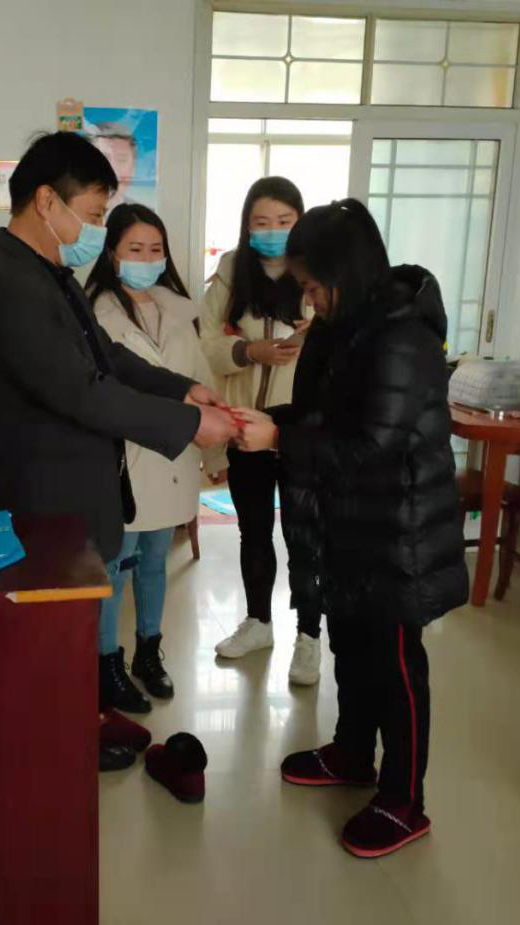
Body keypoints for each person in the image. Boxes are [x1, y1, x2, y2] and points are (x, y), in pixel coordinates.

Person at [0, 133, 238, 768]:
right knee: (46, 644)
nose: (96, 229)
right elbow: (82, 392)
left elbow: (105, 358)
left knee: (69, 637)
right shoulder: (7, 286)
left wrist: (182, 388)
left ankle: (78, 722)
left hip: (73, 499)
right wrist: (189, 424)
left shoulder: (47, 274)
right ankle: (57, 747)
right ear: (45, 201)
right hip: (42, 502)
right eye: (92, 214)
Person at [234, 199, 469, 858]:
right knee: (351, 645)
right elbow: (322, 414)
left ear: (346, 271)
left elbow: (374, 444)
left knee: (395, 664)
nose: (307, 299)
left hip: (398, 530)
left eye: (313, 285)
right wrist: (264, 419)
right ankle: (353, 752)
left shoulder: (403, 337)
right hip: (349, 521)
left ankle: (405, 800)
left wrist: (279, 438)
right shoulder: (343, 326)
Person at [86, 204, 216, 713]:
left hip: (175, 455)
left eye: (155, 249)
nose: (146, 259)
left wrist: (215, 450)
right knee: (115, 565)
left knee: (156, 561)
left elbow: (201, 378)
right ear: (111, 254)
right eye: (134, 249)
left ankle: (148, 652)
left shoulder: (179, 309)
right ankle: (107, 663)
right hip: (124, 460)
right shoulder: (96, 312)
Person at [199, 177, 320, 684]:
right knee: (253, 528)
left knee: (303, 534)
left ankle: (309, 636)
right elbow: (206, 341)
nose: (273, 231)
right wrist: (249, 351)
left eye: (284, 221)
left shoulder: (317, 270)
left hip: (301, 427)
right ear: (247, 226)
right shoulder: (232, 271)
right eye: (261, 222)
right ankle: (258, 623)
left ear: (300, 222)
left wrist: (310, 340)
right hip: (246, 423)